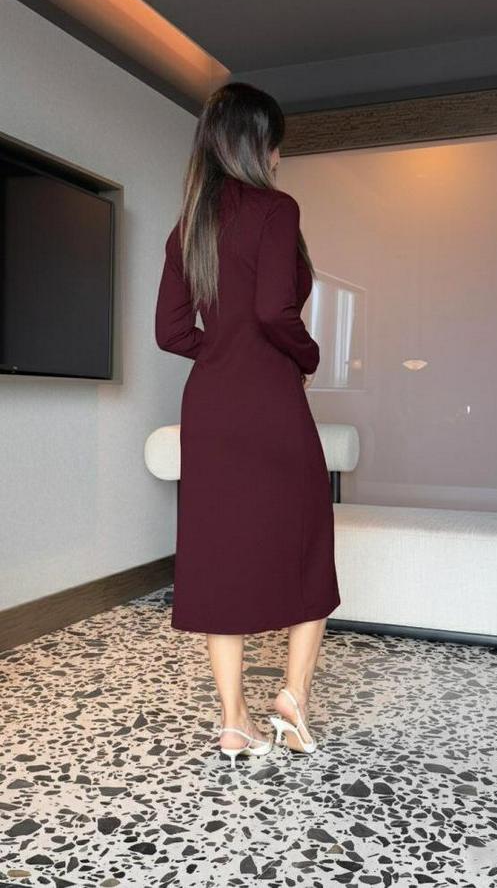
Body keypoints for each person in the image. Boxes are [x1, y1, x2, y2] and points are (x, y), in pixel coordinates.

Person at [155, 81, 340, 768]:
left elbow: (171, 331)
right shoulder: (277, 209)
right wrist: (307, 356)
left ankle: (234, 723)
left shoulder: (189, 226)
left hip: (209, 406)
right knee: (309, 542)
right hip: (269, 403)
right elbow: (272, 311)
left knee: (218, 554)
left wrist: (223, 353)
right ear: (256, 145)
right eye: (275, 142)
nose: (280, 155)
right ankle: (292, 697)